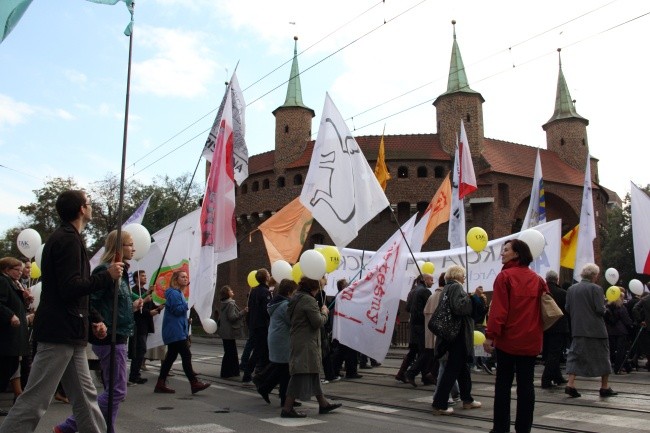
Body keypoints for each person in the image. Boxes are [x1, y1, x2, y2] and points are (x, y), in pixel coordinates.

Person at [0, 190, 123, 433]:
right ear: (81, 209)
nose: (91, 207)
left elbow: (73, 293)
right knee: (34, 401)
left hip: (70, 331)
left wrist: (94, 319)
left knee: (86, 399)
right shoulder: (67, 239)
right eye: (88, 203)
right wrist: (107, 277)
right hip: (59, 332)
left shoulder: (71, 238)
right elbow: (70, 288)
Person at [55, 229, 140, 433]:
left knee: (114, 391)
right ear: (118, 247)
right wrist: (99, 321)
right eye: (129, 244)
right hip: (109, 337)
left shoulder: (122, 272)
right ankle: (69, 426)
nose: (134, 248)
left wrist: (133, 305)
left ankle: (107, 429)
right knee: (117, 391)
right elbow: (90, 301)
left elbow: (113, 303)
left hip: (119, 334)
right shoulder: (105, 270)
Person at [484, 239, 546, 433]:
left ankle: (500, 428)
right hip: (530, 341)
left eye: (506, 250)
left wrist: (490, 335)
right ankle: (524, 429)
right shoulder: (538, 280)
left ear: (516, 254)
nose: (502, 253)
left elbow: (499, 311)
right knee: (526, 387)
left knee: (503, 386)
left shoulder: (504, 277)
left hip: (508, 341)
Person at [280, 277, 341, 418]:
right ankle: (287, 408)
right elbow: (317, 322)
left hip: (300, 340)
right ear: (313, 288)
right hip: (306, 342)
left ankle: (323, 403)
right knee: (299, 373)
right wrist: (325, 312)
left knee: (313, 372)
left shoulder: (296, 298)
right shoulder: (308, 300)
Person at [431, 265, 480, 416]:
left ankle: (467, 399)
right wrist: (472, 298)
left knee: (462, 368)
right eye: (463, 276)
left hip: (452, 335)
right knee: (452, 369)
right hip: (458, 336)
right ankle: (440, 404)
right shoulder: (456, 288)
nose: (464, 278)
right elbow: (459, 308)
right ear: (457, 276)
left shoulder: (446, 288)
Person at [564, 263, 617, 398]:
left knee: (575, 356)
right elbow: (600, 309)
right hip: (596, 330)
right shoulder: (596, 289)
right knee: (603, 357)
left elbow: (567, 308)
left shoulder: (571, 289)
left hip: (578, 328)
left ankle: (570, 384)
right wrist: (606, 306)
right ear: (594, 275)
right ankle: (604, 387)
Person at [154, 270, 210, 394]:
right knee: (186, 355)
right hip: (175, 331)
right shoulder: (173, 293)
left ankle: (160, 383)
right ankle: (194, 382)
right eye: (182, 277)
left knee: (170, 358)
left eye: (186, 277)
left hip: (177, 330)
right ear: (176, 279)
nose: (185, 279)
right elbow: (177, 310)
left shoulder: (178, 293)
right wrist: (188, 305)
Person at [257, 279, 297, 406]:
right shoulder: (285, 305)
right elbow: (292, 321)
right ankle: (285, 400)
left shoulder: (276, 303)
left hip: (278, 338)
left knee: (281, 369)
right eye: (294, 292)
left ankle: (266, 388)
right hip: (283, 340)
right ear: (290, 292)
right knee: (286, 371)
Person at [0, 257, 31, 415]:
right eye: (16, 270)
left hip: (15, 335)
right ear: (6, 270)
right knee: (6, 367)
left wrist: (25, 300)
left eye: (20, 270)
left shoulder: (14, 284)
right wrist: (10, 315)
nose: (20, 273)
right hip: (7, 336)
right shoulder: (3, 282)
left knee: (11, 366)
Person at [128, 270, 161, 384]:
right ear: (136, 278)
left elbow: (150, 306)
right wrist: (149, 312)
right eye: (142, 276)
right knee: (138, 350)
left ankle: (136, 374)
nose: (145, 277)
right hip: (138, 324)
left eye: (145, 275)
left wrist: (159, 307)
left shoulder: (145, 291)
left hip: (145, 325)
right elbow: (136, 308)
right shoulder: (133, 291)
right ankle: (134, 375)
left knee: (141, 350)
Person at [242, 269, 272, 384]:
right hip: (262, 325)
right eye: (268, 274)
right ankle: (249, 373)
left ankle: (254, 373)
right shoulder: (265, 292)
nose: (270, 275)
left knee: (259, 350)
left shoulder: (254, 291)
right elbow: (266, 310)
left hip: (254, 324)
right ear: (266, 278)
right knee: (260, 350)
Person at [541, 270, 569, 388]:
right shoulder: (563, 293)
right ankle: (546, 379)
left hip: (545, 326)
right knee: (555, 353)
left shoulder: (543, 292)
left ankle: (557, 376)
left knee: (549, 353)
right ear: (557, 279)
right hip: (559, 327)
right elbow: (568, 309)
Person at [405, 273, 433, 387]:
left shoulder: (412, 291)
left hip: (414, 326)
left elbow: (407, 308)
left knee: (421, 351)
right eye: (431, 280)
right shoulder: (425, 292)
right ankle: (412, 373)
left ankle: (425, 377)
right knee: (426, 352)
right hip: (422, 326)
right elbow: (428, 309)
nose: (432, 282)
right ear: (424, 280)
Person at [332, 279, 362, 379]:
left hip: (346, 328)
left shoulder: (341, 296)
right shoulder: (341, 296)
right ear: (342, 287)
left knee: (342, 351)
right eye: (346, 284)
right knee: (349, 351)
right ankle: (350, 372)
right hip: (346, 328)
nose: (349, 285)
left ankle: (336, 370)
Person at [218, 285, 247, 378]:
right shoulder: (230, 304)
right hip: (230, 331)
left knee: (230, 352)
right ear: (227, 293)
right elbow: (232, 317)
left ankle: (232, 371)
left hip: (225, 331)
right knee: (231, 352)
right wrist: (243, 312)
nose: (232, 291)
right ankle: (228, 372)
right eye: (230, 290)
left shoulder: (223, 303)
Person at [605, 287, 633, 374]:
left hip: (610, 331)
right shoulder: (621, 307)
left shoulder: (607, 307)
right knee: (621, 351)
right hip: (621, 331)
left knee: (611, 351)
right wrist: (632, 324)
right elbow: (626, 320)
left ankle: (609, 368)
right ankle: (618, 368)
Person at [632, 292, 650, 371]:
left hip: (647, 326)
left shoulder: (644, 299)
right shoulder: (645, 299)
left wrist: (640, 320)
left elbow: (635, 308)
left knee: (647, 346)